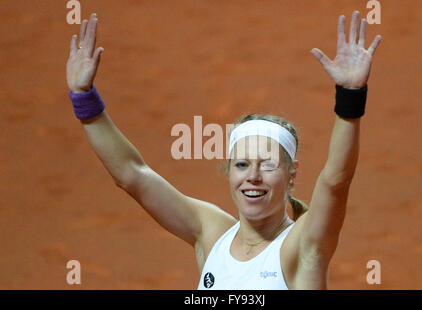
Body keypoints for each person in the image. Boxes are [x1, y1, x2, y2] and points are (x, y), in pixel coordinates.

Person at [66, 10, 381, 289]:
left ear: (292, 174)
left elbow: (336, 181)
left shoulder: (301, 247)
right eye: (242, 165)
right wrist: (85, 100)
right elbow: (131, 175)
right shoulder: (211, 233)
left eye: (268, 165)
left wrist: (350, 97)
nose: (253, 177)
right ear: (229, 171)